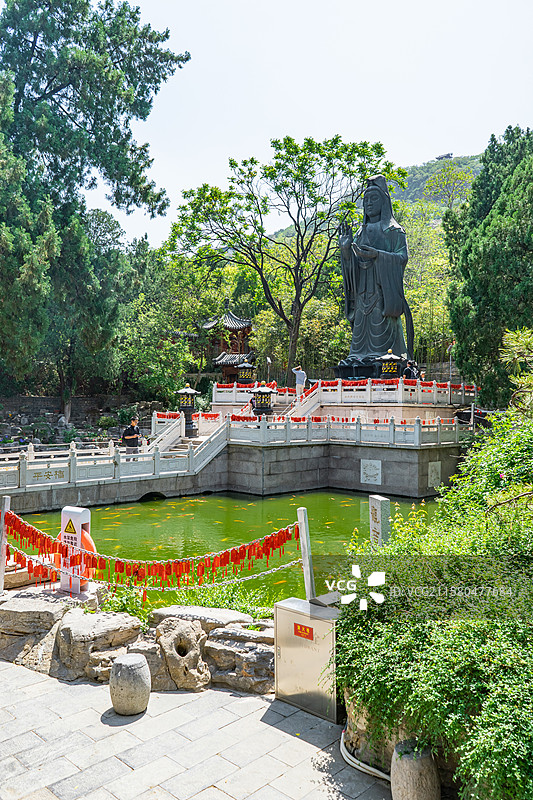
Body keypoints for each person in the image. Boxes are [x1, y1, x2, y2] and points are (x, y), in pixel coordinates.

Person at [339, 175, 414, 364]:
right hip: (363, 290)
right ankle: (357, 357)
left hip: (382, 290)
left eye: (374, 199)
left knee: (380, 328)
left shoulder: (394, 230)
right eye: (366, 200)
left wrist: (378, 255)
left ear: (384, 202)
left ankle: (384, 358)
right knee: (360, 333)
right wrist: (346, 250)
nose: (369, 204)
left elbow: (402, 258)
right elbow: (351, 265)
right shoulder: (359, 232)